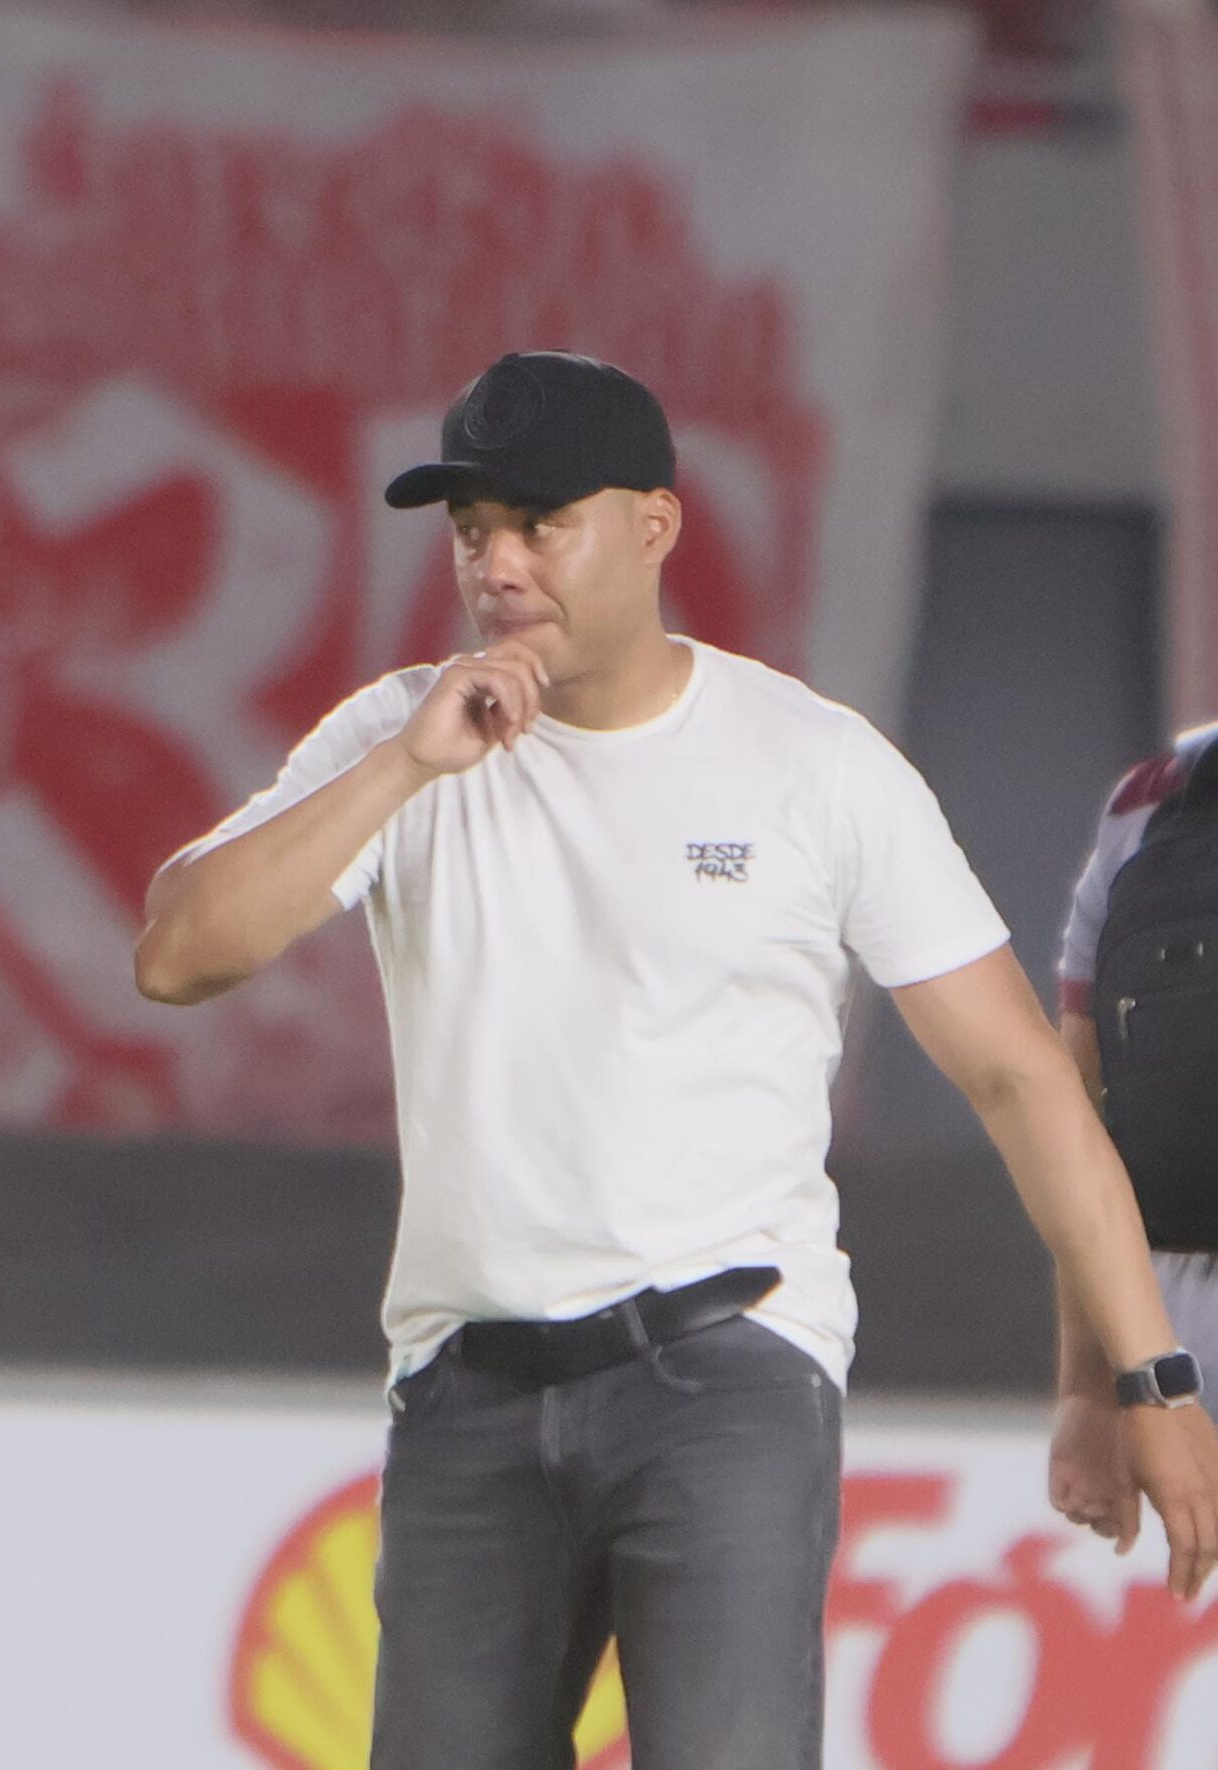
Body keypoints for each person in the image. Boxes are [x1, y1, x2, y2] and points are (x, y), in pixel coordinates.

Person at [134, 350, 1218, 1769]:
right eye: (472, 530)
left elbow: (1023, 1080)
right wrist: (404, 767)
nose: (498, 565)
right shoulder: (395, 737)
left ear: (653, 526)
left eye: (540, 523)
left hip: (725, 1371)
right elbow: (178, 953)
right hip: (465, 1383)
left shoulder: (812, 764)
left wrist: (1149, 1378)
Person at [1048, 728, 1218, 1551]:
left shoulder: (1153, 798)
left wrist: (1093, 1388)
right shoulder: (1152, 800)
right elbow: (1074, 1114)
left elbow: (1075, 1117)